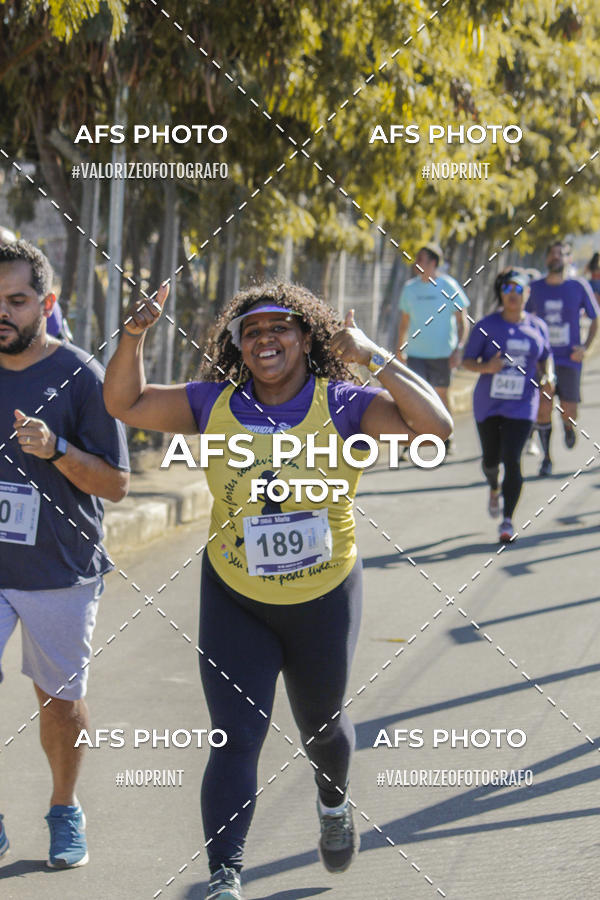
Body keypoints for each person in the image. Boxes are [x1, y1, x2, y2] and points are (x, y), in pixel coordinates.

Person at [103, 281, 451, 900]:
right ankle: (224, 876)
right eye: (252, 332)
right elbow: (125, 402)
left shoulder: (345, 404)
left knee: (323, 729)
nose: (265, 339)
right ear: (238, 346)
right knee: (235, 737)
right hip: (235, 595)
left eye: (279, 328)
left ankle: (333, 799)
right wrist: (133, 335)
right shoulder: (212, 403)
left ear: (307, 337)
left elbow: (436, 427)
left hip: (323, 597)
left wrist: (372, 355)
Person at [0, 240, 129, 867]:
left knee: (58, 703)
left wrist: (55, 450)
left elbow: (117, 483)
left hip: (59, 569)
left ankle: (63, 807)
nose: (3, 312)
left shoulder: (80, 374)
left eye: (17, 300)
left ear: (46, 303)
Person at [462, 269, 552, 543]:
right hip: (489, 404)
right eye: (507, 289)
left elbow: (545, 356)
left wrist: (549, 376)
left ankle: (507, 520)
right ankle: (493, 486)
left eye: (518, 289)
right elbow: (467, 361)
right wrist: (486, 367)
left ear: (527, 293)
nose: (512, 294)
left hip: (523, 404)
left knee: (512, 459)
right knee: (491, 461)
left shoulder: (538, 326)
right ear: (501, 294)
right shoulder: (486, 325)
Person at [526, 240, 599, 475]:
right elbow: (522, 318)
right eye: (552, 253)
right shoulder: (535, 288)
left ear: (569, 259)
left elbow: (595, 318)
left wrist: (585, 347)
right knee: (543, 406)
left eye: (561, 254)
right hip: (542, 359)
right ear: (547, 258)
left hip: (569, 359)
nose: (556, 257)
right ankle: (546, 458)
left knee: (569, 411)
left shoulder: (577, 286)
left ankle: (568, 425)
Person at [395, 241, 470, 454]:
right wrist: (400, 348)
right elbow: (404, 322)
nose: (416, 263)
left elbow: (462, 320)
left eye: (421, 259)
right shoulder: (410, 289)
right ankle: (410, 441)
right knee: (414, 398)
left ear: (433, 263)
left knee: (440, 395)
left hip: (442, 354)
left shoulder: (449, 286)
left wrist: (459, 348)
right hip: (416, 354)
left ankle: (447, 436)